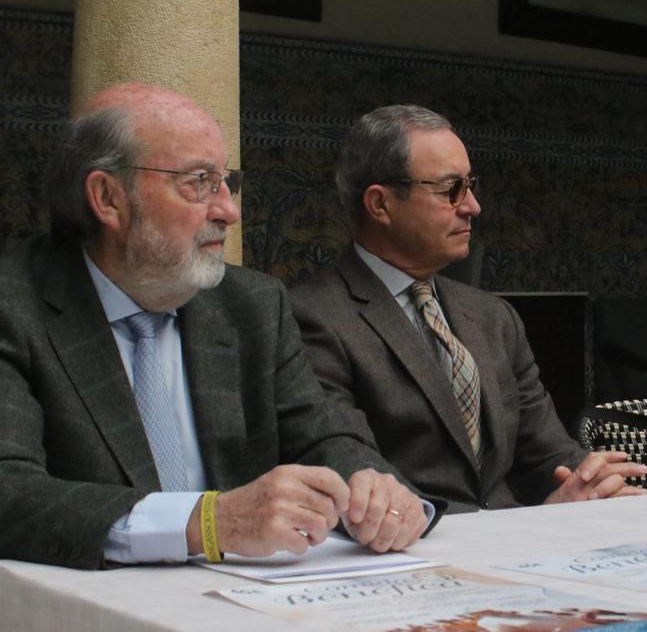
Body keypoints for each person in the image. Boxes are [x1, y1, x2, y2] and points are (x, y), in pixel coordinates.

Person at [0, 83, 434, 570]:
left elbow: (322, 436)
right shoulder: (15, 305)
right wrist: (207, 522)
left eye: (227, 182)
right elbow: (9, 491)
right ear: (108, 198)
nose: (229, 210)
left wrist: (370, 487)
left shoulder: (250, 304)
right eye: (199, 182)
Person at [289, 104, 647, 513]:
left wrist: (587, 482)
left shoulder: (493, 316)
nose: (473, 206)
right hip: (408, 552)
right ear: (380, 204)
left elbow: (546, 453)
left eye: (470, 185)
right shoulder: (310, 317)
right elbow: (348, 467)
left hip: (517, 546)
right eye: (451, 190)